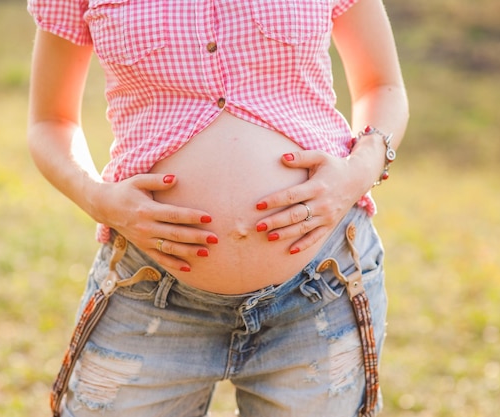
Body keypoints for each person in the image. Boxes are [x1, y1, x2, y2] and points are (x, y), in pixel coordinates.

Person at [27, 0, 408, 416]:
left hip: (320, 286)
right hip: (148, 290)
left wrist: (357, 173)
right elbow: (51, 121)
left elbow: (381, 86)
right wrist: (99, 199)